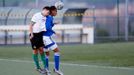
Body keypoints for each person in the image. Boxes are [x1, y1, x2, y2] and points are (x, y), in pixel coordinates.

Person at [43, 6, 63, 75]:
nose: (56, 12)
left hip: (42, 37)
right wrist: (55, 33)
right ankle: (56, 69)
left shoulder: (47, 17)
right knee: (57, 51)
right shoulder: (49, 17)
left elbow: (47, 25)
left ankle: (46, 70)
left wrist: (54, 23)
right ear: (52, 11)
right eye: (56, 11)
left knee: (47, 54)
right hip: (46, 37)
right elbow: (47, 27)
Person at [29, 6, 50, 74]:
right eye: (48, 12)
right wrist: (31, 34)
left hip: (40, 35)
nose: (48, 13)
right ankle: (37, 67)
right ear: (44, 10)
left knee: (41, 50)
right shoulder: (36, 15)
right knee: (35, 51)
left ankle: (45, 68)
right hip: (34, 35)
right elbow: (31, 25)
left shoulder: (45, 17)